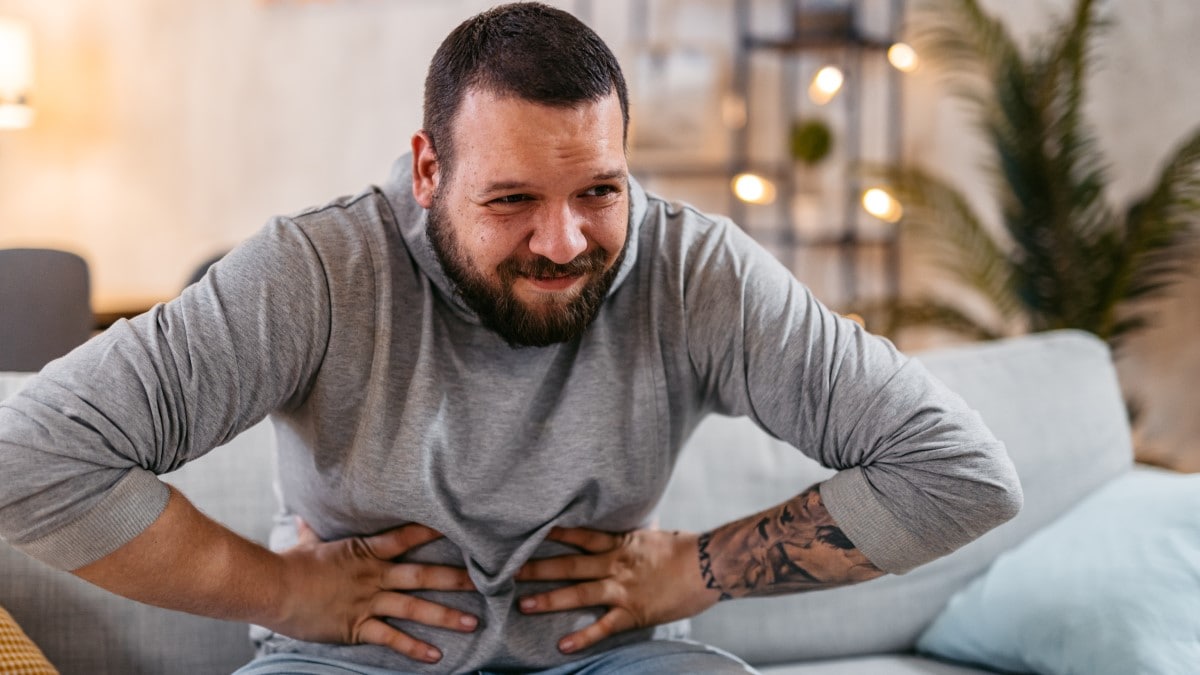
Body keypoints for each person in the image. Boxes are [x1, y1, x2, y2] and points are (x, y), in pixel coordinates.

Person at [0, 3, 1022, 674]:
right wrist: (284, 592)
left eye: (599, 192)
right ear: (429, 169)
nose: (565, 240)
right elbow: (26, 458)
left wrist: (695, 570)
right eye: (514, 199)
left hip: (612, 655)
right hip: (352, 659)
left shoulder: (696, 269)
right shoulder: (315, 270)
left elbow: (962, 473)